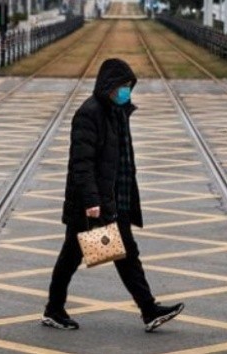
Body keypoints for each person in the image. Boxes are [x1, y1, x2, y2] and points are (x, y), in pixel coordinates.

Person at [41, 58, 184, 333]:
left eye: (129, 86)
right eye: (123, 86)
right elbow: (81, 164)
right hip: (93, 204)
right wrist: (92, 202)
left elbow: (119, 159)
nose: (127, 91)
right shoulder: (89, 113)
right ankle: (55, 310)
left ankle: (147, 309)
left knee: (117, 254)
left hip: (115, 199)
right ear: (109, 85)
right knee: (78, 256)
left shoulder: (118, 111)